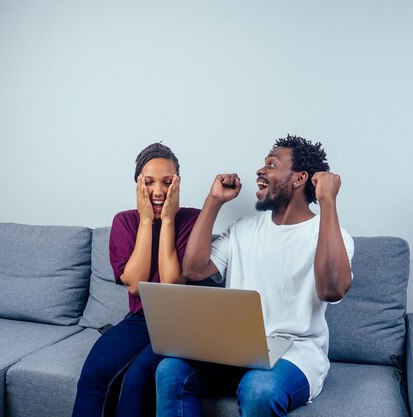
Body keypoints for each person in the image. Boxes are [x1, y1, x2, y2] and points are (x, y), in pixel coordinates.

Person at [155, 135, 354, 417]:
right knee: (170, 369)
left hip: (295, 355)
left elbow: (332, 290)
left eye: (272, 164)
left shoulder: (333, 236)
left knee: (259, 389)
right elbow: (194, 269)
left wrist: (328, 202)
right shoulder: (242, 229)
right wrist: (213, 201)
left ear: (300, 178)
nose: (260, 171)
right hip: (235, 349)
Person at [72, 143, 200, 417]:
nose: (158, 191)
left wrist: (167, 221)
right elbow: (134, 283)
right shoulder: (125, 222)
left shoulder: (192, 221)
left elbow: (171, 284)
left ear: (177, 184)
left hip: (182, 325)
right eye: (149, 183)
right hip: (140, 319)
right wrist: (145, 221)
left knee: (137, 381)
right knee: (95, 372)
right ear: (137, 185)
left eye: (167, 182)